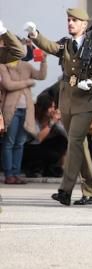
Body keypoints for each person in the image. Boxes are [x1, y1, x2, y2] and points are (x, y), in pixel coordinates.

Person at [26, 8, 92, 206]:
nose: (70, 23)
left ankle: (65, 190)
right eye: (69, 20)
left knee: (75, 143)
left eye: (75, 20)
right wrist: (35, 35)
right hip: (68, 101)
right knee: (80, 146)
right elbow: (51, 47)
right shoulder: (66, 44)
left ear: (84, 25)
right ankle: (90, 192)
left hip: (85, 101)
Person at [1, 44, 47, 183]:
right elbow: (8, 85)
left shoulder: (26, 66)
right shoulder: (3, 66)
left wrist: (44, 60)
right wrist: (27, 82)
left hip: (26, 110)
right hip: (12, 109)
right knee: (9, 142)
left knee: (20, 143)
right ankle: (9, 174)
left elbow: (41, 76)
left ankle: (16, 173)